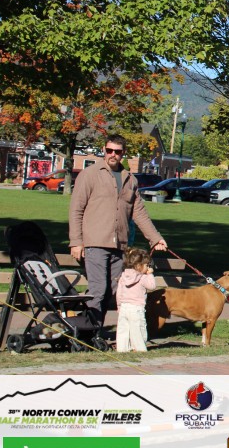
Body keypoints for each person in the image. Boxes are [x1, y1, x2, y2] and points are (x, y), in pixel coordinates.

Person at [69, 134, 168, 331]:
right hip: (95, 243)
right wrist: (76, 241)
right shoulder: (89, 174)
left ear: (123, 153)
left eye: (117, 151)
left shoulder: (130, 179)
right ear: (104, 150)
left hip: (119, 245)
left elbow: (139, 212)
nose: (112, 154)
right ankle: (89, 333)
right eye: (109, 150)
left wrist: (155, 239)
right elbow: (76, 209)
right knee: (98, 290)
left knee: (112, 291)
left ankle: (93, 330)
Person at [114, 248, 157, 352]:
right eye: (146, 265)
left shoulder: (123, 276)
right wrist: (150, 274)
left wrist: (119, 306)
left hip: (124, 306)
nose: (148, 267)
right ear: (138, 266)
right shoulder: (142, 277)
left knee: (123, 329)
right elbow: (152, 286)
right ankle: (139, 348)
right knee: (138, 329)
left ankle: (122, 348)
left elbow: (119, 293)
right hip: (136, 308)